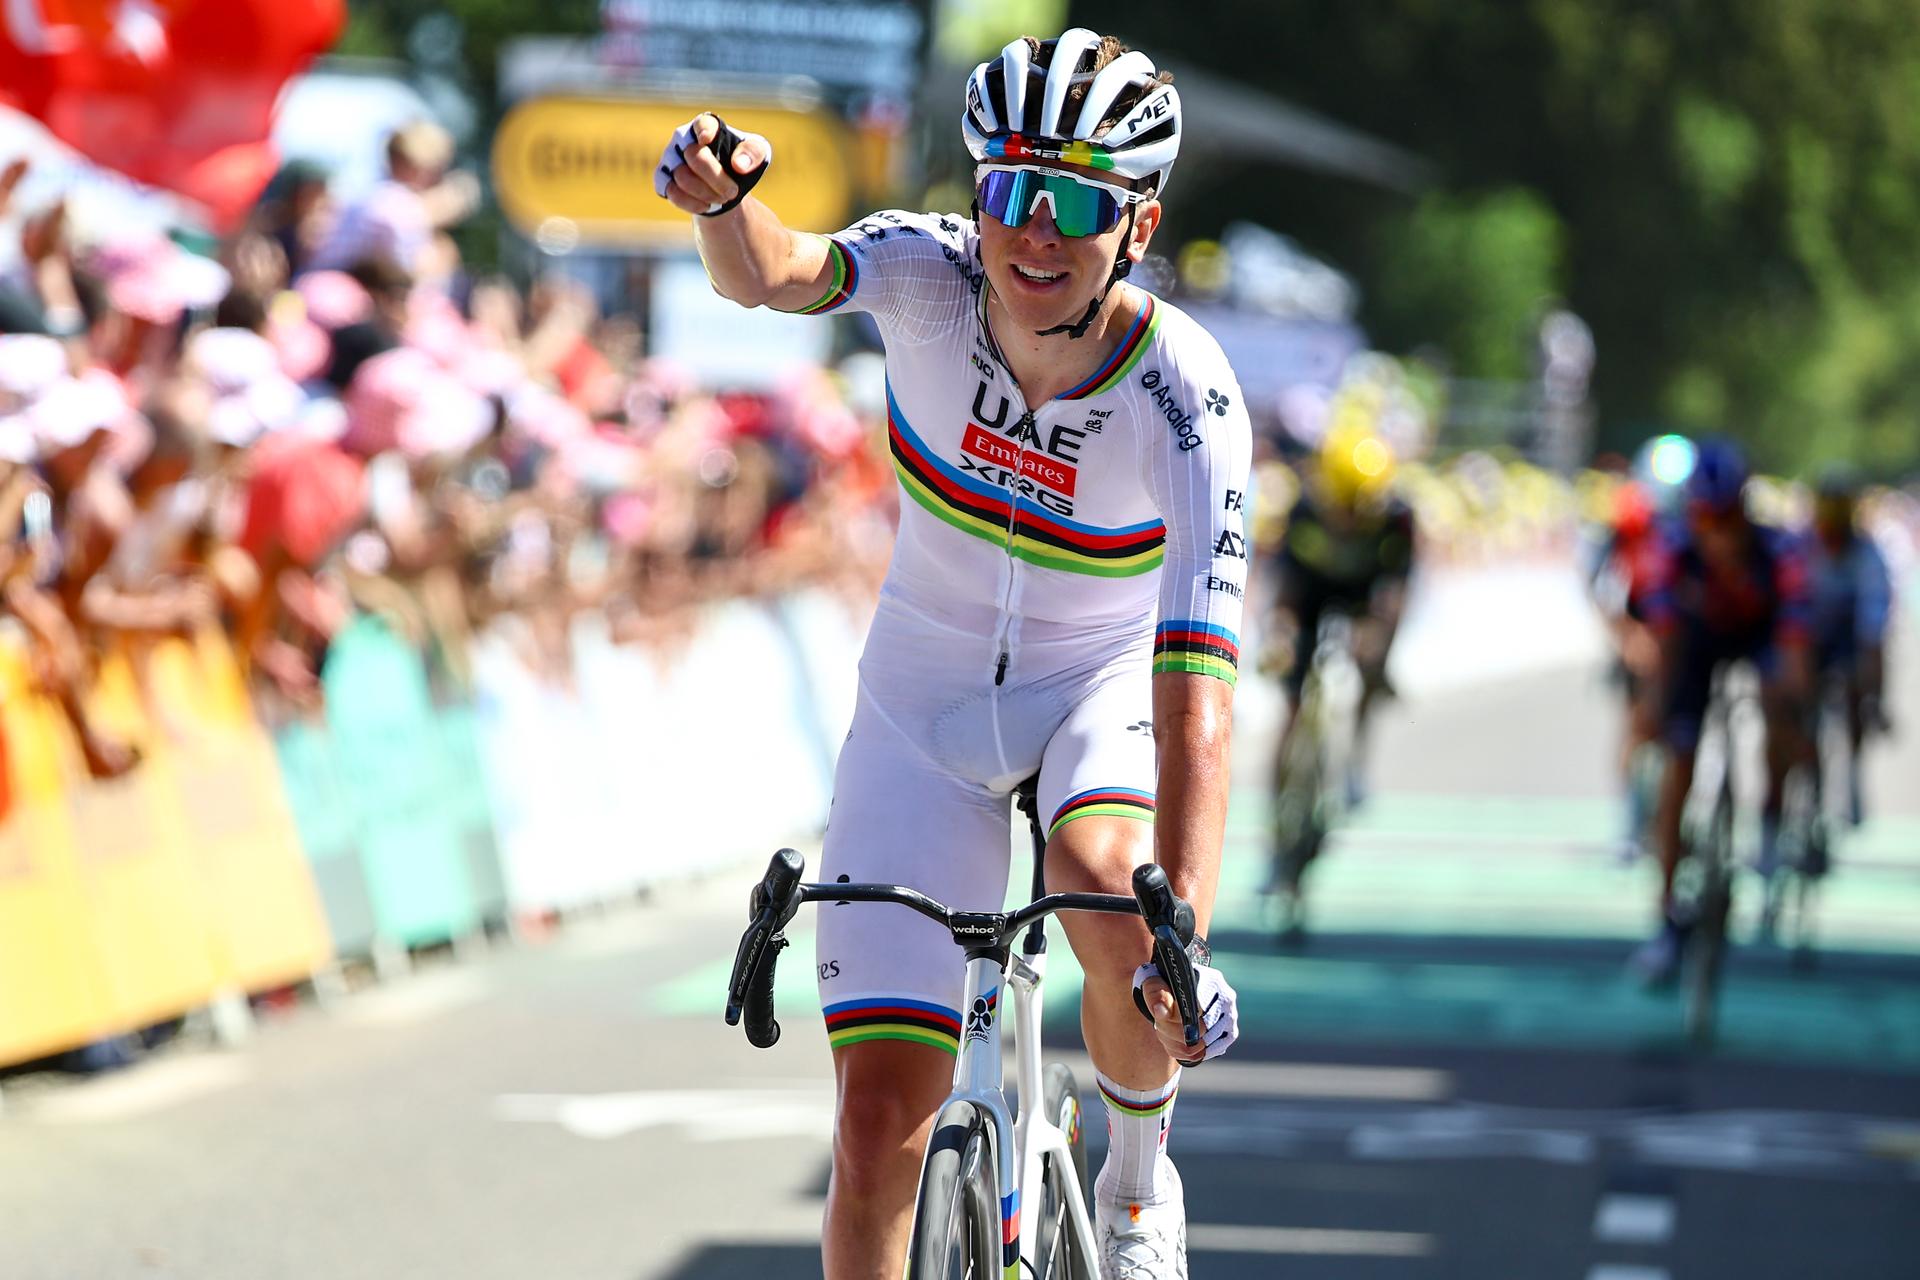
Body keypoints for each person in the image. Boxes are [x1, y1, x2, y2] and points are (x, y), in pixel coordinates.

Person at [657, 28, 1248, 1279]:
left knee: (1108, 884)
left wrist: (1183, 931)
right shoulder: (926, 274)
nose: (1035, 232)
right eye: (1009, 193)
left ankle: (1138, 1186)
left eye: (1075, 203)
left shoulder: (1187, 394)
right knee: (876, 1128)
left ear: (1135, 228)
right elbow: (775, 274)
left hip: (1096, 690)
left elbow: (1198, 675)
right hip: (919, 710)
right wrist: (726, 204)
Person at [1635, 438, 1813, 983]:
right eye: (1704, 517)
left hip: (1757, 639)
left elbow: (1795, 641)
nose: (1716, 531)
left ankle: (1769, 821)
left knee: (1777, 704)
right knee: (1677, 767)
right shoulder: (1675, 550)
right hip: (1697, 645)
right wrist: (1654, 708)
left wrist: (1793, 702)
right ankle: (1667, 916)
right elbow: (1662, 642)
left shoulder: (1776, 552)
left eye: (1726, 516)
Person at [1265, 423, 1414, 810]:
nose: (1349, 519)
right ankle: (1277, 799)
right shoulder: (1305, 510)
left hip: (1363, 594)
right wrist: (1281, 636)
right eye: (1342, 508)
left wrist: (1378, 641)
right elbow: (1285, 588)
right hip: (1312, 592)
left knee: (1372, 664)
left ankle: (1356, 760)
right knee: (1292, 699)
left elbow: (1397, 590)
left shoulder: (1397, 517)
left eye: (1360, 509)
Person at [1805, 465, 1894, 827]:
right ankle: (1809, 777)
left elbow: (1873, 623)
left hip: (1850, 637)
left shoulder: (1868, 554)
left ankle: (1856, 756)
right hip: (1810, 635)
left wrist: (1872, 685)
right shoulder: (1804, 547)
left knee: (1864, 670)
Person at [1587, 478, 1666, 858]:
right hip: (1638, 627)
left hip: (1680, 634)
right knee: (1636, 726)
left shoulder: (1698, 528)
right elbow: (1602, 587)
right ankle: (1629, 821)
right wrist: (1627, 637)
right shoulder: (1626, 529)